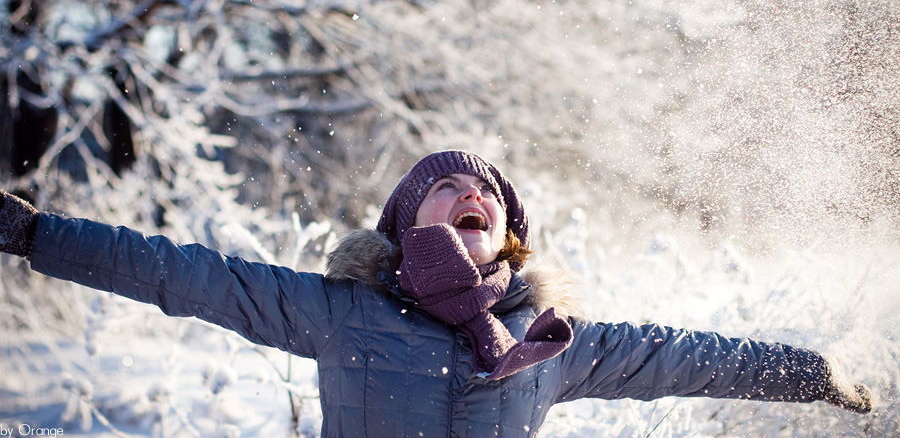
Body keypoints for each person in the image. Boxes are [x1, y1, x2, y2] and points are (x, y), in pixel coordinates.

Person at [0, 150, 873, 437]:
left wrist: (810, 371)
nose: (472, 194)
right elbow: (177, 272)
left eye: (488, 193)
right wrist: (35, 233)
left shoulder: (557, 339)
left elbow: (689, 360)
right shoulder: (341, 311)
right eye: (446, 186)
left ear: (509, 234)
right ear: (403, 222)